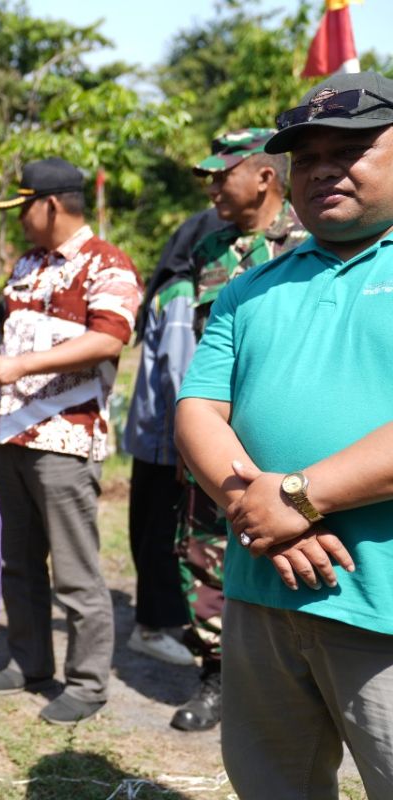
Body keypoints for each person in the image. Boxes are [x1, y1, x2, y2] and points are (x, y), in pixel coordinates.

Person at [175, 70, 393, 798]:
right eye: (311, 155)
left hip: (381, 604)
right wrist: (260, 508)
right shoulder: (251, 285)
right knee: (272, 784)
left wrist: (296, 497)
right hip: (263, 588)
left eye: (353, 148)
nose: (326, 168)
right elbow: (198, 411)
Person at [0, 157, 142, 725]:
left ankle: (88, 681)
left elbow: (109, 339)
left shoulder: (107, 265)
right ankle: (30, 662)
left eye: (23, 208)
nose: (20, 220)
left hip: (65, 439)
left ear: (50, 204)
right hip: (9, 435)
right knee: (16, 562)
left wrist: (23, 365)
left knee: (75, 571)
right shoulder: (27, 264)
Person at [168, 127, 308, 733]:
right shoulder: (209, 249)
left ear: (265, 176)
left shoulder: (313, 241)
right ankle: (218, 673)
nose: (213, 188)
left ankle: (305, 679)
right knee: (202, 551)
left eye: (223, 175)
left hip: (290, 440)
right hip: (214, 437)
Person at [121, 209, 226, 669]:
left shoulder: (164, 291)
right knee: (165, 537)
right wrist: (196, 441)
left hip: (152, 441)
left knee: (148, 532)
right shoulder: (184, 296)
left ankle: (156, 622)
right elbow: (182, 376)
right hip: (172, 446)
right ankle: (155, 627)